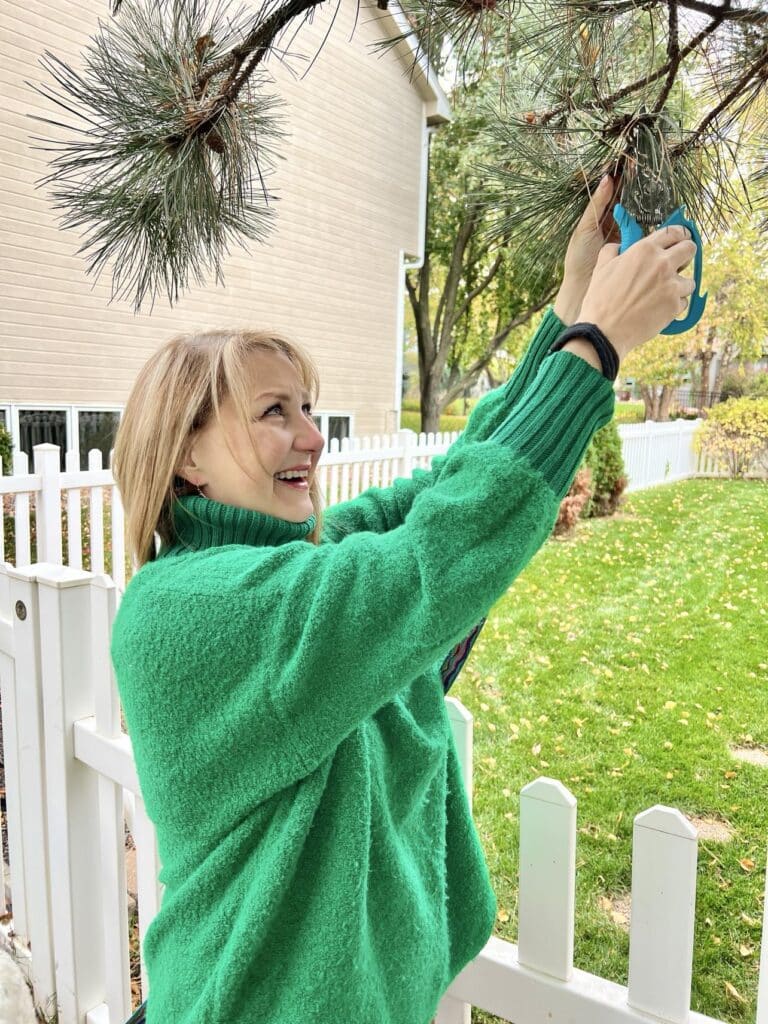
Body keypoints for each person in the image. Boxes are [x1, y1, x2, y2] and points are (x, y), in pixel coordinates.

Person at [110, 175, 696, 1024]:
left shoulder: (296, 561)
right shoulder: (187, 613)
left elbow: (439, 498)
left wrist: (571, 305)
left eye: (308, 407)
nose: (313, 435)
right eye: (275, 411)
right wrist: (594, 349)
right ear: (185, 458)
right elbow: (433, 558)